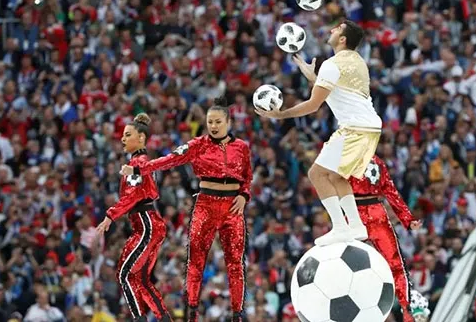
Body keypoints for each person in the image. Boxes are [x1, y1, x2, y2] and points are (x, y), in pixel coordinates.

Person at [119, 98, 252, 322]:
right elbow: (169, 160)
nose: (214, 126)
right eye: (210, 122)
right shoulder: (198, 144)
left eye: (218, 121)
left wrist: (244, 195)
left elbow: (247, 177)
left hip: (232, 206)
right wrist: (140, 169)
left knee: (235, 261)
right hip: (206, 204)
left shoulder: (242, 147)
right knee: (195, 259)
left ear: (229, 122)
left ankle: (237, 314)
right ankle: (192, 311)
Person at [256, 19, 382, 246]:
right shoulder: (357, 61)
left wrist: (281, 115)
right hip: (369, 128)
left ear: (342, 39)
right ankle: (354, 225)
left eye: (338, 29)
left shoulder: (332, 64)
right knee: (336, 176)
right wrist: (314, 78)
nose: (332, 29)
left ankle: (341, 227)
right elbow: (339, 92)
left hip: (355, 128)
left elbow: (314, 105)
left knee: (317, 174)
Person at [95, 113, 171, 322]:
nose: (122, 138)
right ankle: (163, 318)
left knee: (124, 273)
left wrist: (110, 216)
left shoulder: (138, 163)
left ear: (142, 138)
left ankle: (139, 319)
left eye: (128, 134)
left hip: (145, 223)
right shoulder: (139, 162)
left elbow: (133, 196)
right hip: (150, 223)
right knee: (141, 279)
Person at [349, 154, 424, 322]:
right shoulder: (344, 156)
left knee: (395, 262)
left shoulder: (375, 161)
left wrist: (407, 219)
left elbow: (390, 190)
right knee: (349, 262)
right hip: (354, 212)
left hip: (371, 212)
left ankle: (406, 309)